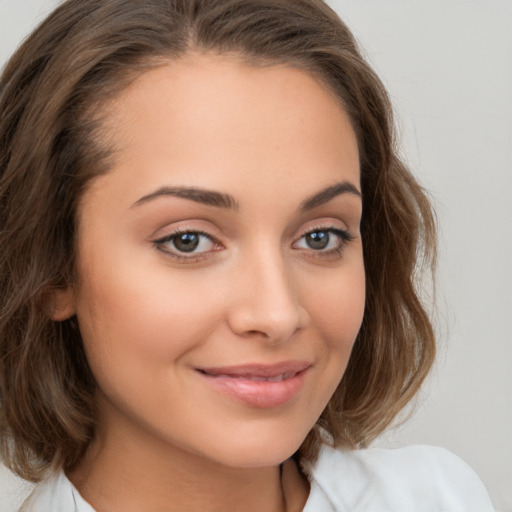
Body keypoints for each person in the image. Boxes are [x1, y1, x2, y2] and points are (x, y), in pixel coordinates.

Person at [0, 1, 495, 511]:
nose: (277, 315)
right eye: (187, 240)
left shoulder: (437, 498)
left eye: (321, 236)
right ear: (50, 266)